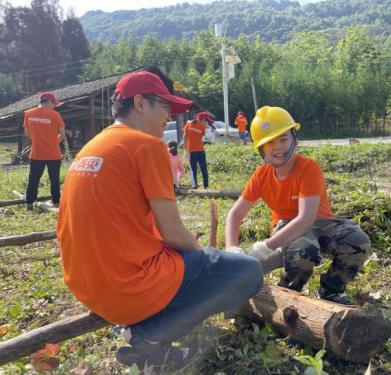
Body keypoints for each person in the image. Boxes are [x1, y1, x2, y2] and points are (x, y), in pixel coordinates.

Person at [57, 71, 263, 371]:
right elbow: (174, 233)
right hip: (127, 289)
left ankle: (149, 338)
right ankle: (150, 336)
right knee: (249, 272)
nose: (168, 117)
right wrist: (207, 261)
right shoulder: (146, 145)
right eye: (165, 107)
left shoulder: (91, 148)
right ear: (140, 103)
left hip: (88, 289)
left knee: (188, 264)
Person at [225, 106, 371, 305]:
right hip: (285, 224)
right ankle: (289, 290)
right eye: (269, 143)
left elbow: (306, 218)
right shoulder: (261, 176)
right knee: (304, 251)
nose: (278, 147)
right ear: (261, 149)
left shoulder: (309, 168)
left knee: (358, 241)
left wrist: (265, 247)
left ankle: (330, 291)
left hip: (322, 222)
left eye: (283, 139)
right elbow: (235, 214)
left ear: (295, 138)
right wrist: (232, 248)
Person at [23, 91, 66, 210]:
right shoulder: (55, 115)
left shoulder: (28, 113)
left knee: (34, 178)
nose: (54, 106)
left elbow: (27, 133)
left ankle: (30, 203)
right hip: (53, 154)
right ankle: (56, 201)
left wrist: (38, 140)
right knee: (54, 179)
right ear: (49, 102)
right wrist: (52, 142)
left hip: (37, 153)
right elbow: (62, 134)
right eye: (54, 104)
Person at [183, 112, 214, 189]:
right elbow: (199, 137)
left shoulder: (189, 124)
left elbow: (184, 137)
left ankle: (195, 187)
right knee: (203, 169)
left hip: (193, 151)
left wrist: (185, 149)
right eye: (206, 121)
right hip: (199, 150)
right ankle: (205, 187)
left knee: (194, 170)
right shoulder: (200, 127)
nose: (207, 123)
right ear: (202, 119)